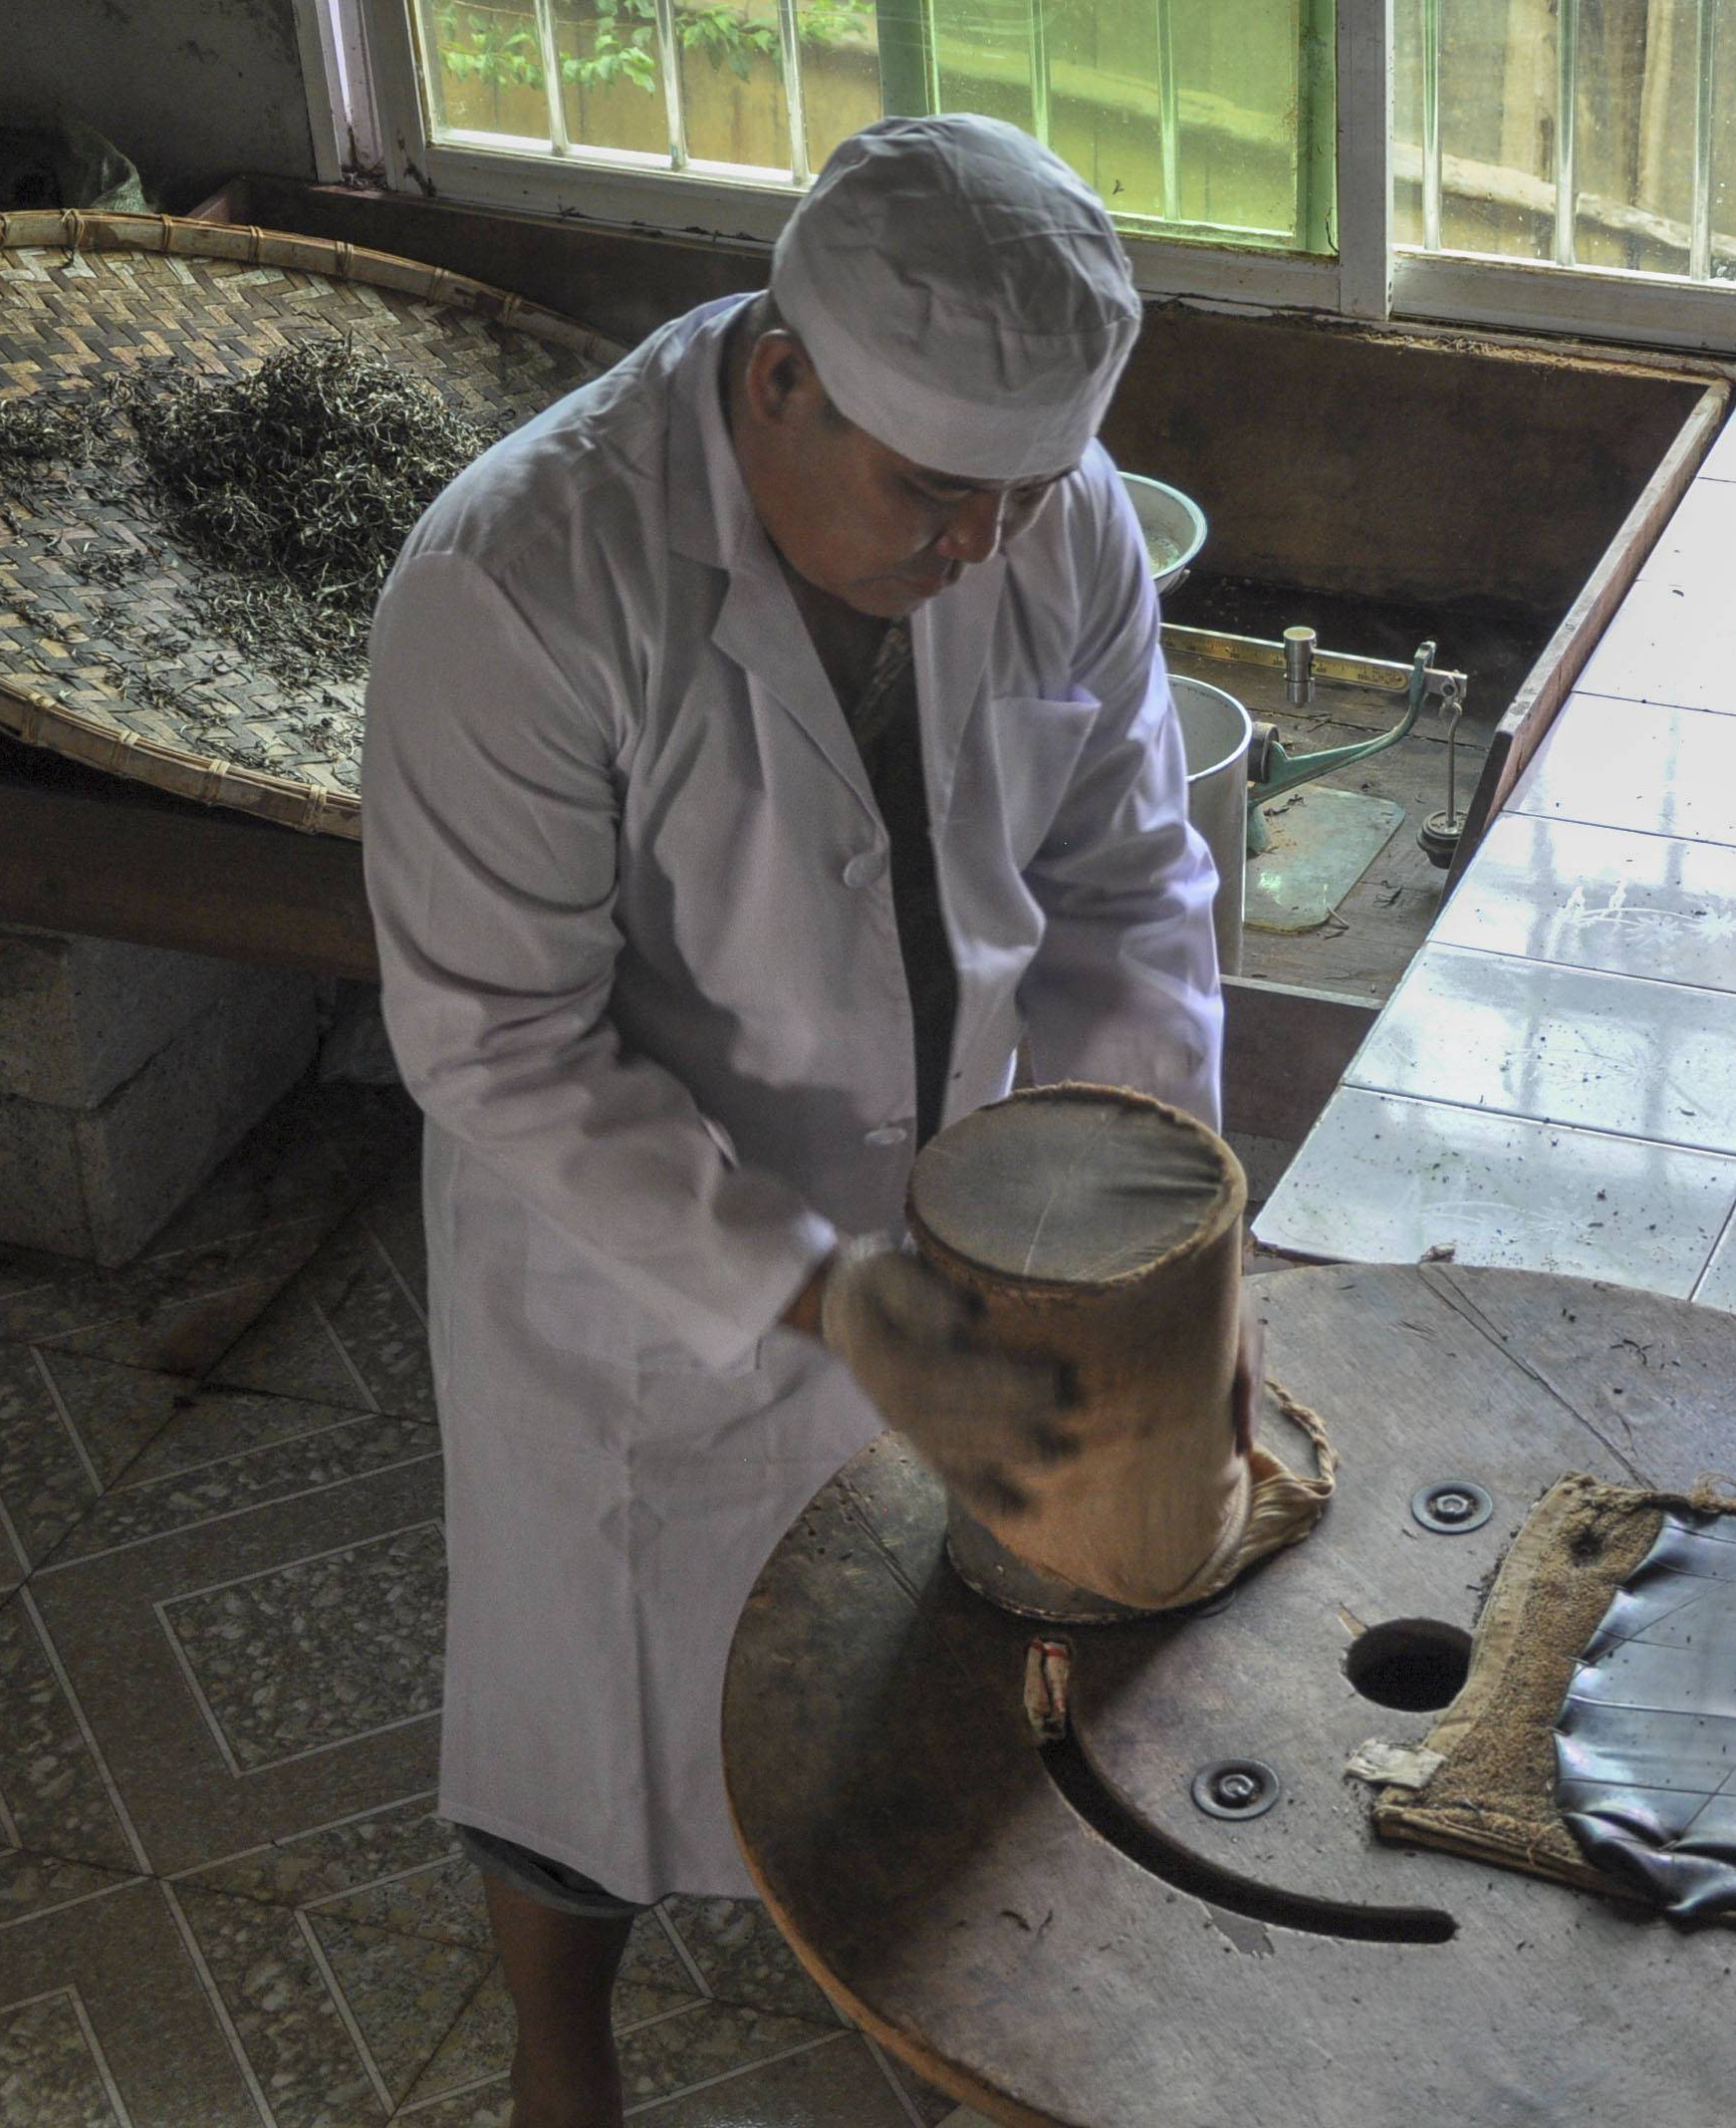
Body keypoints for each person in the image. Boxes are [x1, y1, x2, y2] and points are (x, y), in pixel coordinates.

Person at [362, 114, 1222, 2125]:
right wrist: (817, 1290)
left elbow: (1126, 887)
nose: (982, 547)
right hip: (637, 1259)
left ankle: (931, 2015)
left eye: (1022, 494)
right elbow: (496, 1040)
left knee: (929, 1693)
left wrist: (1153, 1234)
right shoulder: (523, 581)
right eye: (932, 492)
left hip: (965, 1207)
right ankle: (559, 2061)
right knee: (591, 1725)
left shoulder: (1054, 519)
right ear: (776, 379)